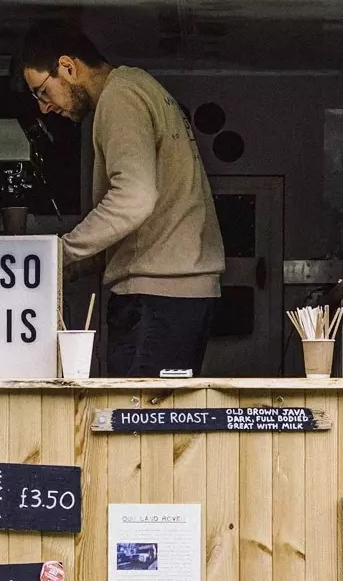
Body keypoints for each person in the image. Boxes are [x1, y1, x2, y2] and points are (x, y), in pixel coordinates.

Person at [20, 21, 224, 377]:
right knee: (156, 421)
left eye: (42, 92)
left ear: (67, 67)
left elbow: (134, 198)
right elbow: (140, 218)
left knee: (132, 423)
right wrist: (72, 266)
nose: (44, 108)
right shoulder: (141, 87)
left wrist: (59, 253)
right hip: (180, 293)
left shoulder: (120, 99)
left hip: (155, 297)